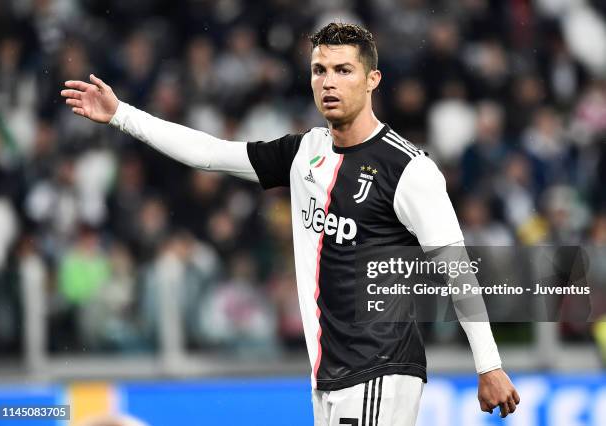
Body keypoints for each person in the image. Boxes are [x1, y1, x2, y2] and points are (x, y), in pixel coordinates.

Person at [61, 22, 520, 426]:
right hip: (330, 375)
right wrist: (122, 115)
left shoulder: (409, 170)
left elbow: (456, 267)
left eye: (344, 70)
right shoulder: (306, 153)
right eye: (320, 70)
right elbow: (211, 154)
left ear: (372, 79)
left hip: (379, 372)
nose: (329, 82)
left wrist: (489, 364)